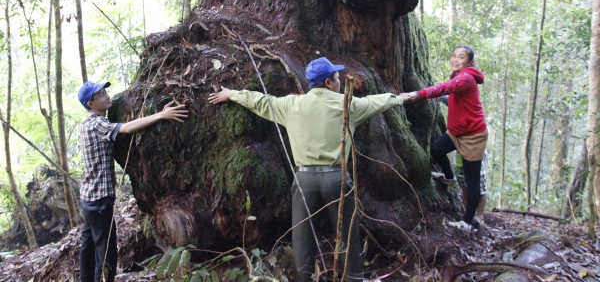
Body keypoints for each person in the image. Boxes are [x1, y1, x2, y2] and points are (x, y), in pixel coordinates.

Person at [208, 57, 405, 282]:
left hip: (304, 180)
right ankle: (353, 278)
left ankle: (304, 278)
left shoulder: (292, 105)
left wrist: (232, 94)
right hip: (335, 179)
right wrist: (401, 98)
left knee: (302, 239)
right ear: (329, 83)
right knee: (348, 236)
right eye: (337, 77)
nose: (339, 81)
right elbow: (377, 102)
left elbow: (261, 101)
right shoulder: (347, 104)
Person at [77, 81, 188, 282]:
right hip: (99, 201)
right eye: (101, 94)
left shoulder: (86, 124)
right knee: (106, 253)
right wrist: (161, 115)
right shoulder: (96, 124)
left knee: (89, 247)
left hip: (88, 197)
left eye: (105, 91)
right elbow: (127, 128)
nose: (107, 96)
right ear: (91, 104)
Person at [401, 45, 488, 231]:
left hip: (473, 136)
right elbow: (453, 98)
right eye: (454, 56)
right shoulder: (459, 76)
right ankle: (449, 177)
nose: (456, 60)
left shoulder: (465, 78)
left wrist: (416, 94)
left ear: (469, 62)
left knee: (471, 181)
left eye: (461, 57)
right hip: (456, 132)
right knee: (437, 150)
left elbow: (444, 89)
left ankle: (466, 222)